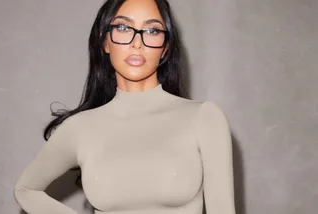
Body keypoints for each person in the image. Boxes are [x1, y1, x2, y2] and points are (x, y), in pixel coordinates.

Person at [13, 0, 236, 214]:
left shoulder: (204, 118)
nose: (136, 43)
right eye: (123, 27)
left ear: (165, 48)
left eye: (152, 31)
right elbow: (26, 190)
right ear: (105, 41)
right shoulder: (80, 128)